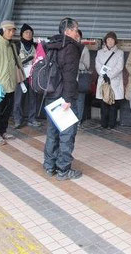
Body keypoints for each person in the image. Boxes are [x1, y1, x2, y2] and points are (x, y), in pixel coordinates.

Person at [43, 18, 84, 181]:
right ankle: (63, 169)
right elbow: (69, 75)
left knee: (52, 132)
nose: (77, 33)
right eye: (75, 30)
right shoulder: (70, 47)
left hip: (50, 94)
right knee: (67, 134)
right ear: (68, 31)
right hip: (63, 97)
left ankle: (49, 165)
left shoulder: (51, 44)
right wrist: (68, 99)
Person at [12, 23, 40, 128]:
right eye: (26, 32)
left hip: (33, 77)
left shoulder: (36, 46)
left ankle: (32, 119)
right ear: (21, 34)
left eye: (30, 33)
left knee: (33, 98)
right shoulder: (17, 45)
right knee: (18, 99)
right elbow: (13, 60)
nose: (28, 34)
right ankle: (18, 120)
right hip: (20, 76)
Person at [95, 31, 124, 129]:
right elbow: (97, 65)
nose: (110, 41)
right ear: (105, 41)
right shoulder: (99, 52)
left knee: (113, 103)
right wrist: (103, 75)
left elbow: (119, 67)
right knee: (103, 103)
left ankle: (112, 124)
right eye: (108, 39)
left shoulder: (120, 53)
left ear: (115, 41)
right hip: (103, 80)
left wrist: (109, 75)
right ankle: (104, 123)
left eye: (112, 39)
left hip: (114, 81)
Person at [76, 29, 91, 126]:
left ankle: (77, 121)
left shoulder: (84, 49)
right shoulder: (67, 47)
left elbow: (87, 65)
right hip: (68, 79)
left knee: (80, 100)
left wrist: (76, 63)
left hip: (79, 78)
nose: (76, 37)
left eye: (78, 36)